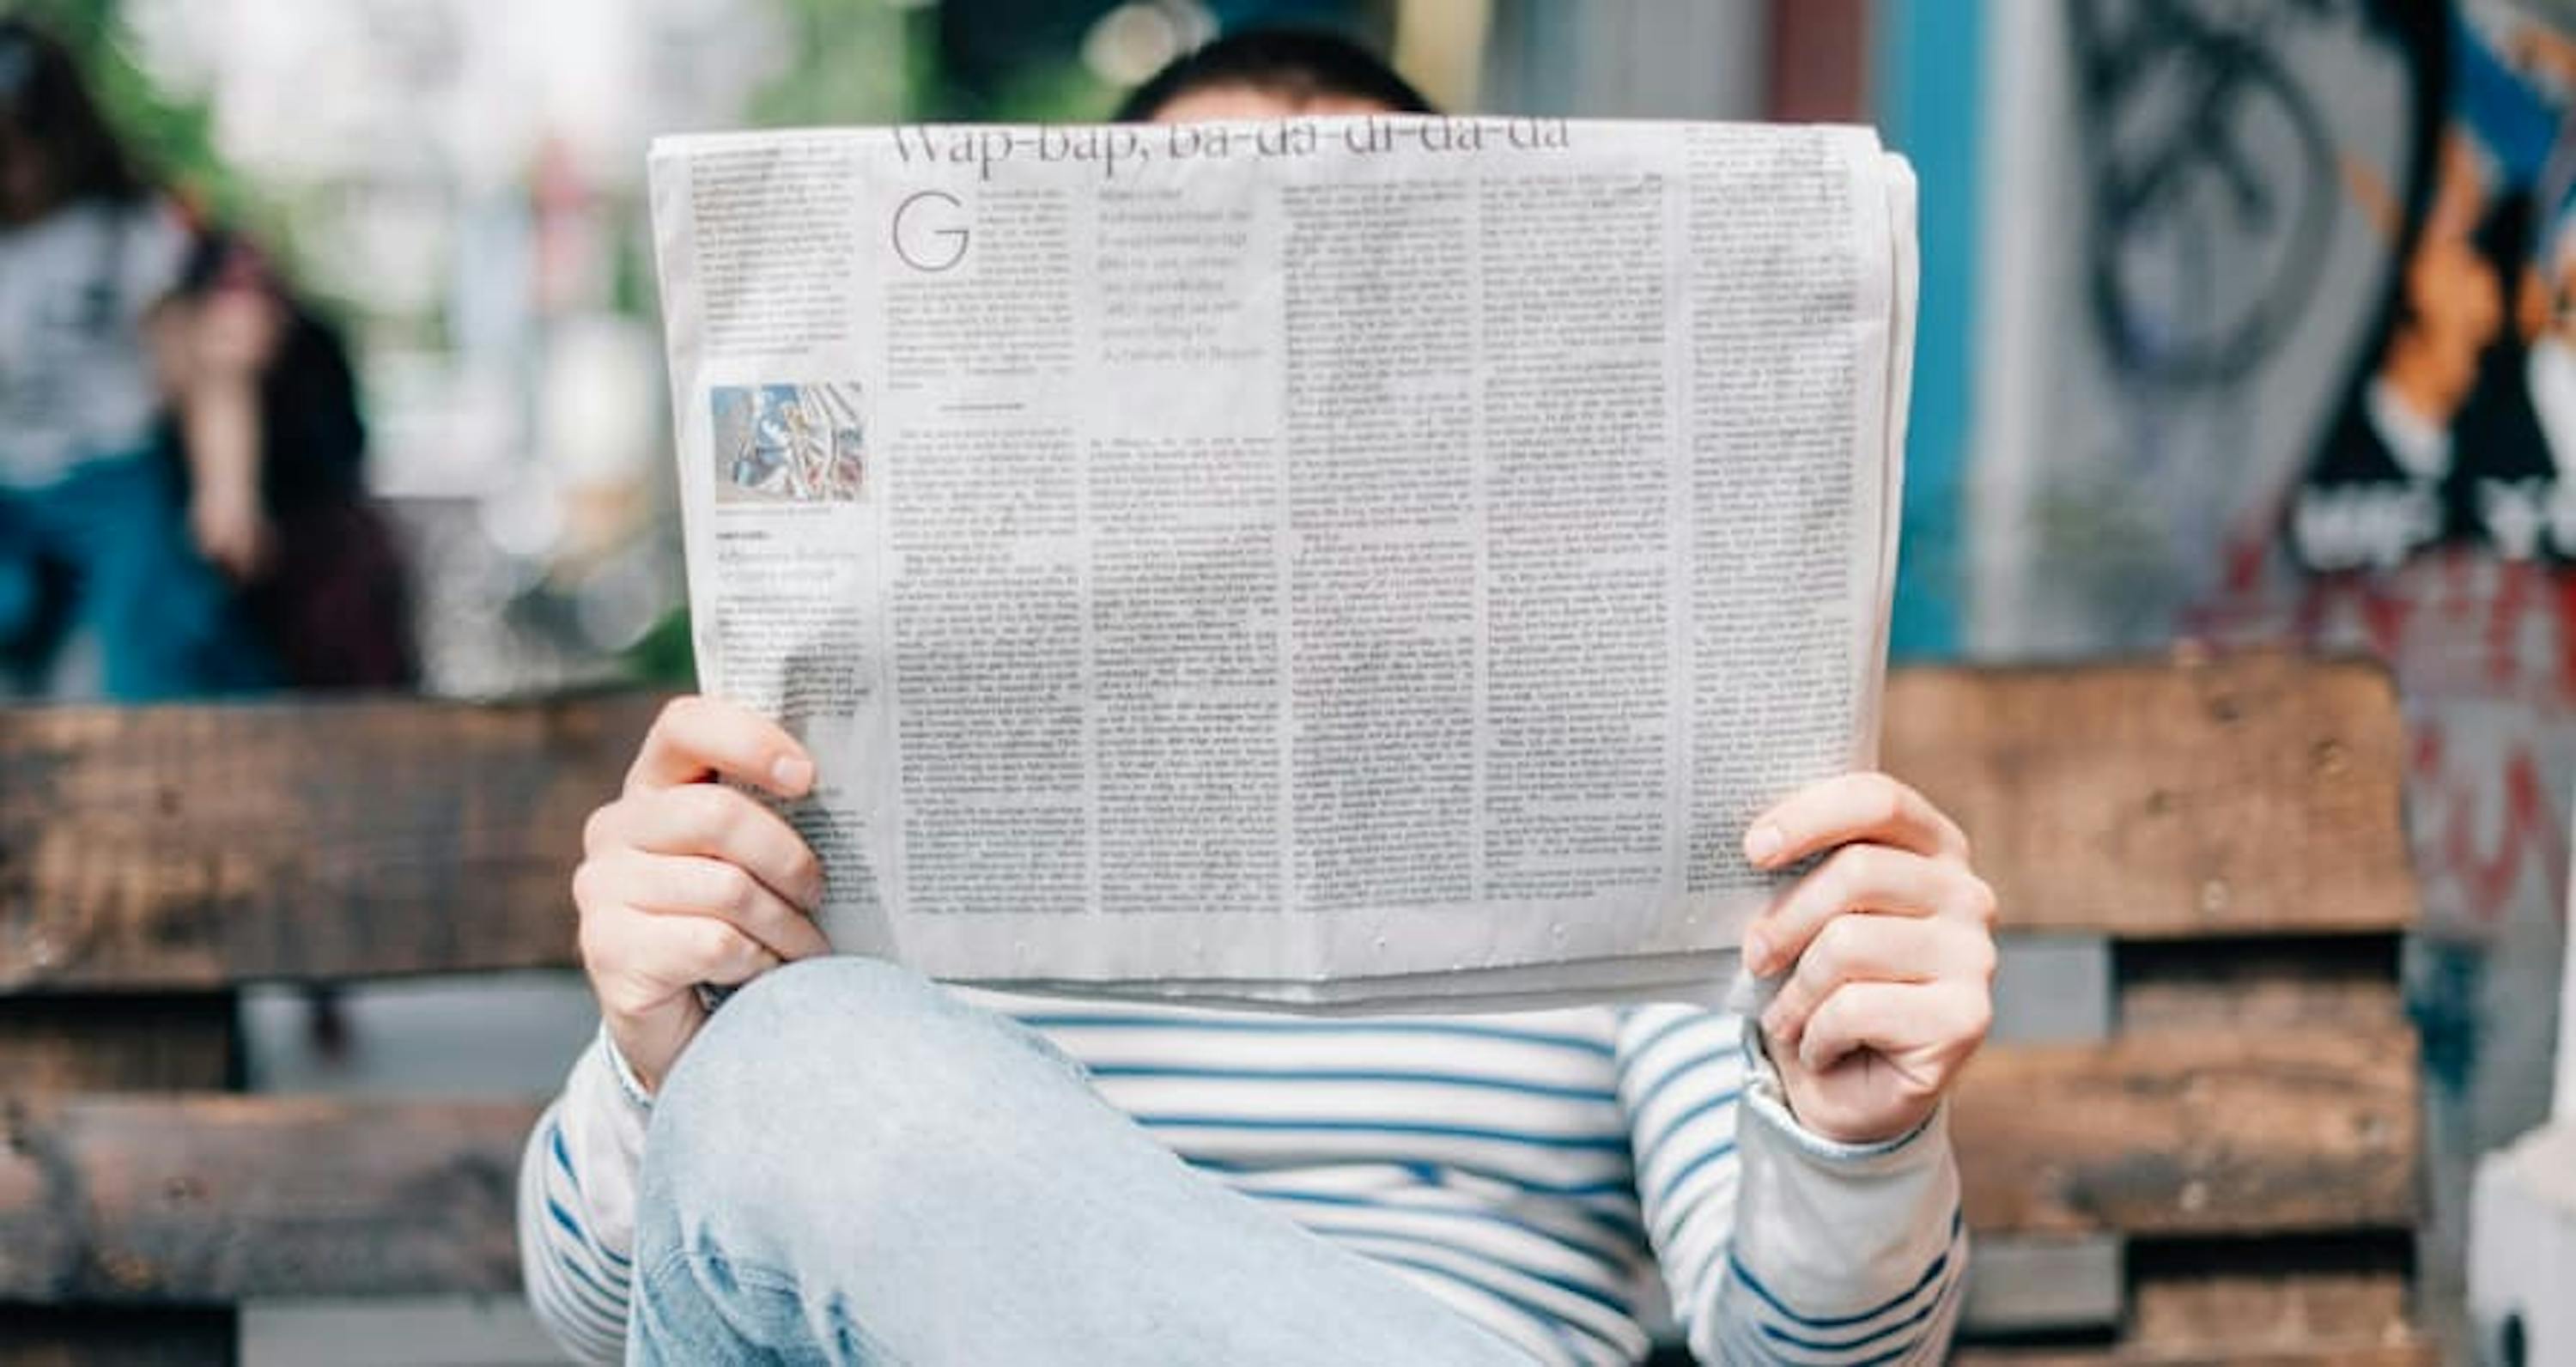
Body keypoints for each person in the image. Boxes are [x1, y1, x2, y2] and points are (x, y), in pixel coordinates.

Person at [521, 30, 1993, 1366]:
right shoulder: (848, 776)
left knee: (807, 1066)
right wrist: (662, 1058)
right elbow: (616, 1315)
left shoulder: (1627, 777)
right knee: (804, 1068)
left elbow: (1816, 1365)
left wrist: (1854, 1136)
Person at [0, 19, 273, 698]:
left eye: (27, 141)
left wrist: (226, 493)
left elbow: (206, 372)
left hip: (114, 478)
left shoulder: (124, 230)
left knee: (140, 648)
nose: (19, 170)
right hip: (10, 488)